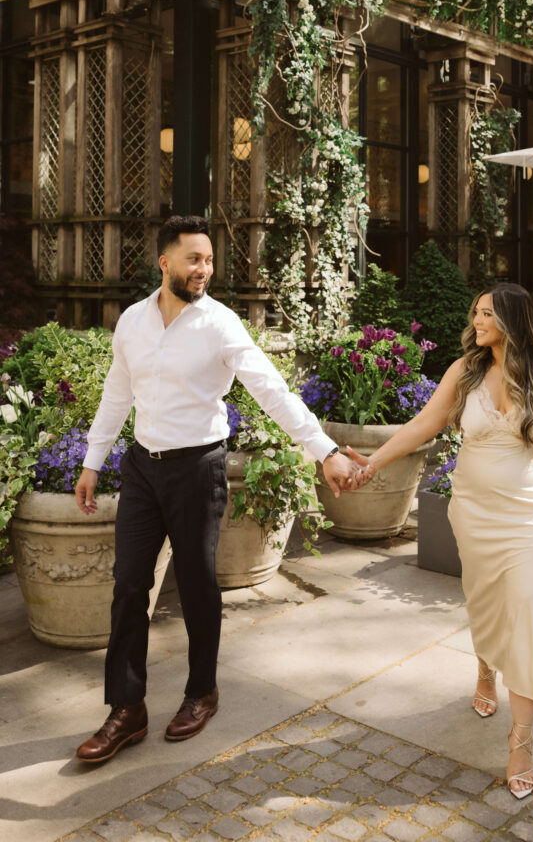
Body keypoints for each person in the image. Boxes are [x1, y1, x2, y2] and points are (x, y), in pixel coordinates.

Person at [74, 214, 356, 764]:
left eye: (208, 260)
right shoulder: (132, 321)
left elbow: (272, 391)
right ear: (165, 262)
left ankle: (201, 692)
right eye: (193, 259)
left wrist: (324, 450)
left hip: (197, 467)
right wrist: (92, 462)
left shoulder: (221, 324)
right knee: (129, 586)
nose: (204, 269)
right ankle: (126, 710)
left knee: (200, 583)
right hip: (141, 467)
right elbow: (116, 394)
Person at [347, 283, 533, 799]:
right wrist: (373, 461)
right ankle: (485, 668)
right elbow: (425, 423)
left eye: (488, 313)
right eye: (475, 312)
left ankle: (521, 742)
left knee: (527, 613)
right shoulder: (465, 371)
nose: (477, 320)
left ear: (513, 320)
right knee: (485, 600)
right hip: (472, 510)